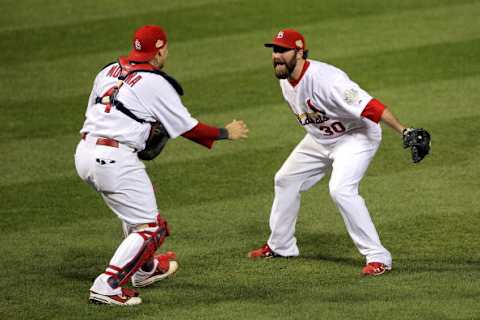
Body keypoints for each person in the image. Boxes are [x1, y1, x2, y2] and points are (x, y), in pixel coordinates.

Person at [75, 25, 248, 305]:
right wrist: (226, 132)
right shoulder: (155, 81)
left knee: (138, 208)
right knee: (151, 228)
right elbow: (189, 127)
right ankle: (107, 285)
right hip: (114, 158)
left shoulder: (106, 71)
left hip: (85, 152)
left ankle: (146, 269)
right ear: (160, 50)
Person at [248, 28, 426, 276]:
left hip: (356, 137)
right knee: (285, 179)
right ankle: (281, 245)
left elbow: (369, 106)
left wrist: (405, 131)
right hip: (321, 139)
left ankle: (378, 256)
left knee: (341, 190)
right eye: (274, 50)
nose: (276, 56)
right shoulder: (284, 80)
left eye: (283, 50)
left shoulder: (327, 80)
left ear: (299, 52)